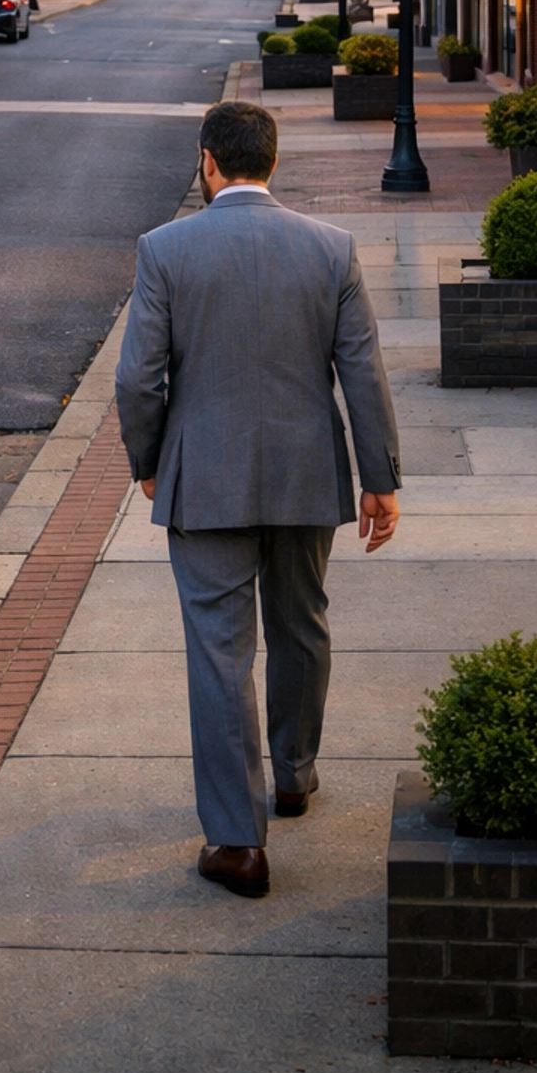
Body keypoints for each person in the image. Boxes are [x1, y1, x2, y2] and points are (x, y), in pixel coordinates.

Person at [114, 100, 400, 899]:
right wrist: (379, 478)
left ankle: (238, 843)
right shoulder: (331, 249)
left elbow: (139, 377)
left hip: (203, 476)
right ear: (271, 162)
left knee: (219, 650)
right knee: (302, 623)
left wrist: (149, 459)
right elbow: (362, 373)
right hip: (308, 476)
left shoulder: (165, 249)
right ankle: (296, 774)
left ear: (209, 162)